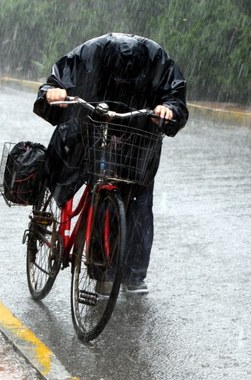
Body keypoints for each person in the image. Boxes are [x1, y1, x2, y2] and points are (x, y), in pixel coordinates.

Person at [33, 33, 188, 293]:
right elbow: (59, 78)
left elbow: (174, 94)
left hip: (136, 138)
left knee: (139, 199)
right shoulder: (94, 52)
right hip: (95, 131)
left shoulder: (154, 59)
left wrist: (168, 108)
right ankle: (101, 268)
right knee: (73, 174)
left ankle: (132, 275)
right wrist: (53, 91)